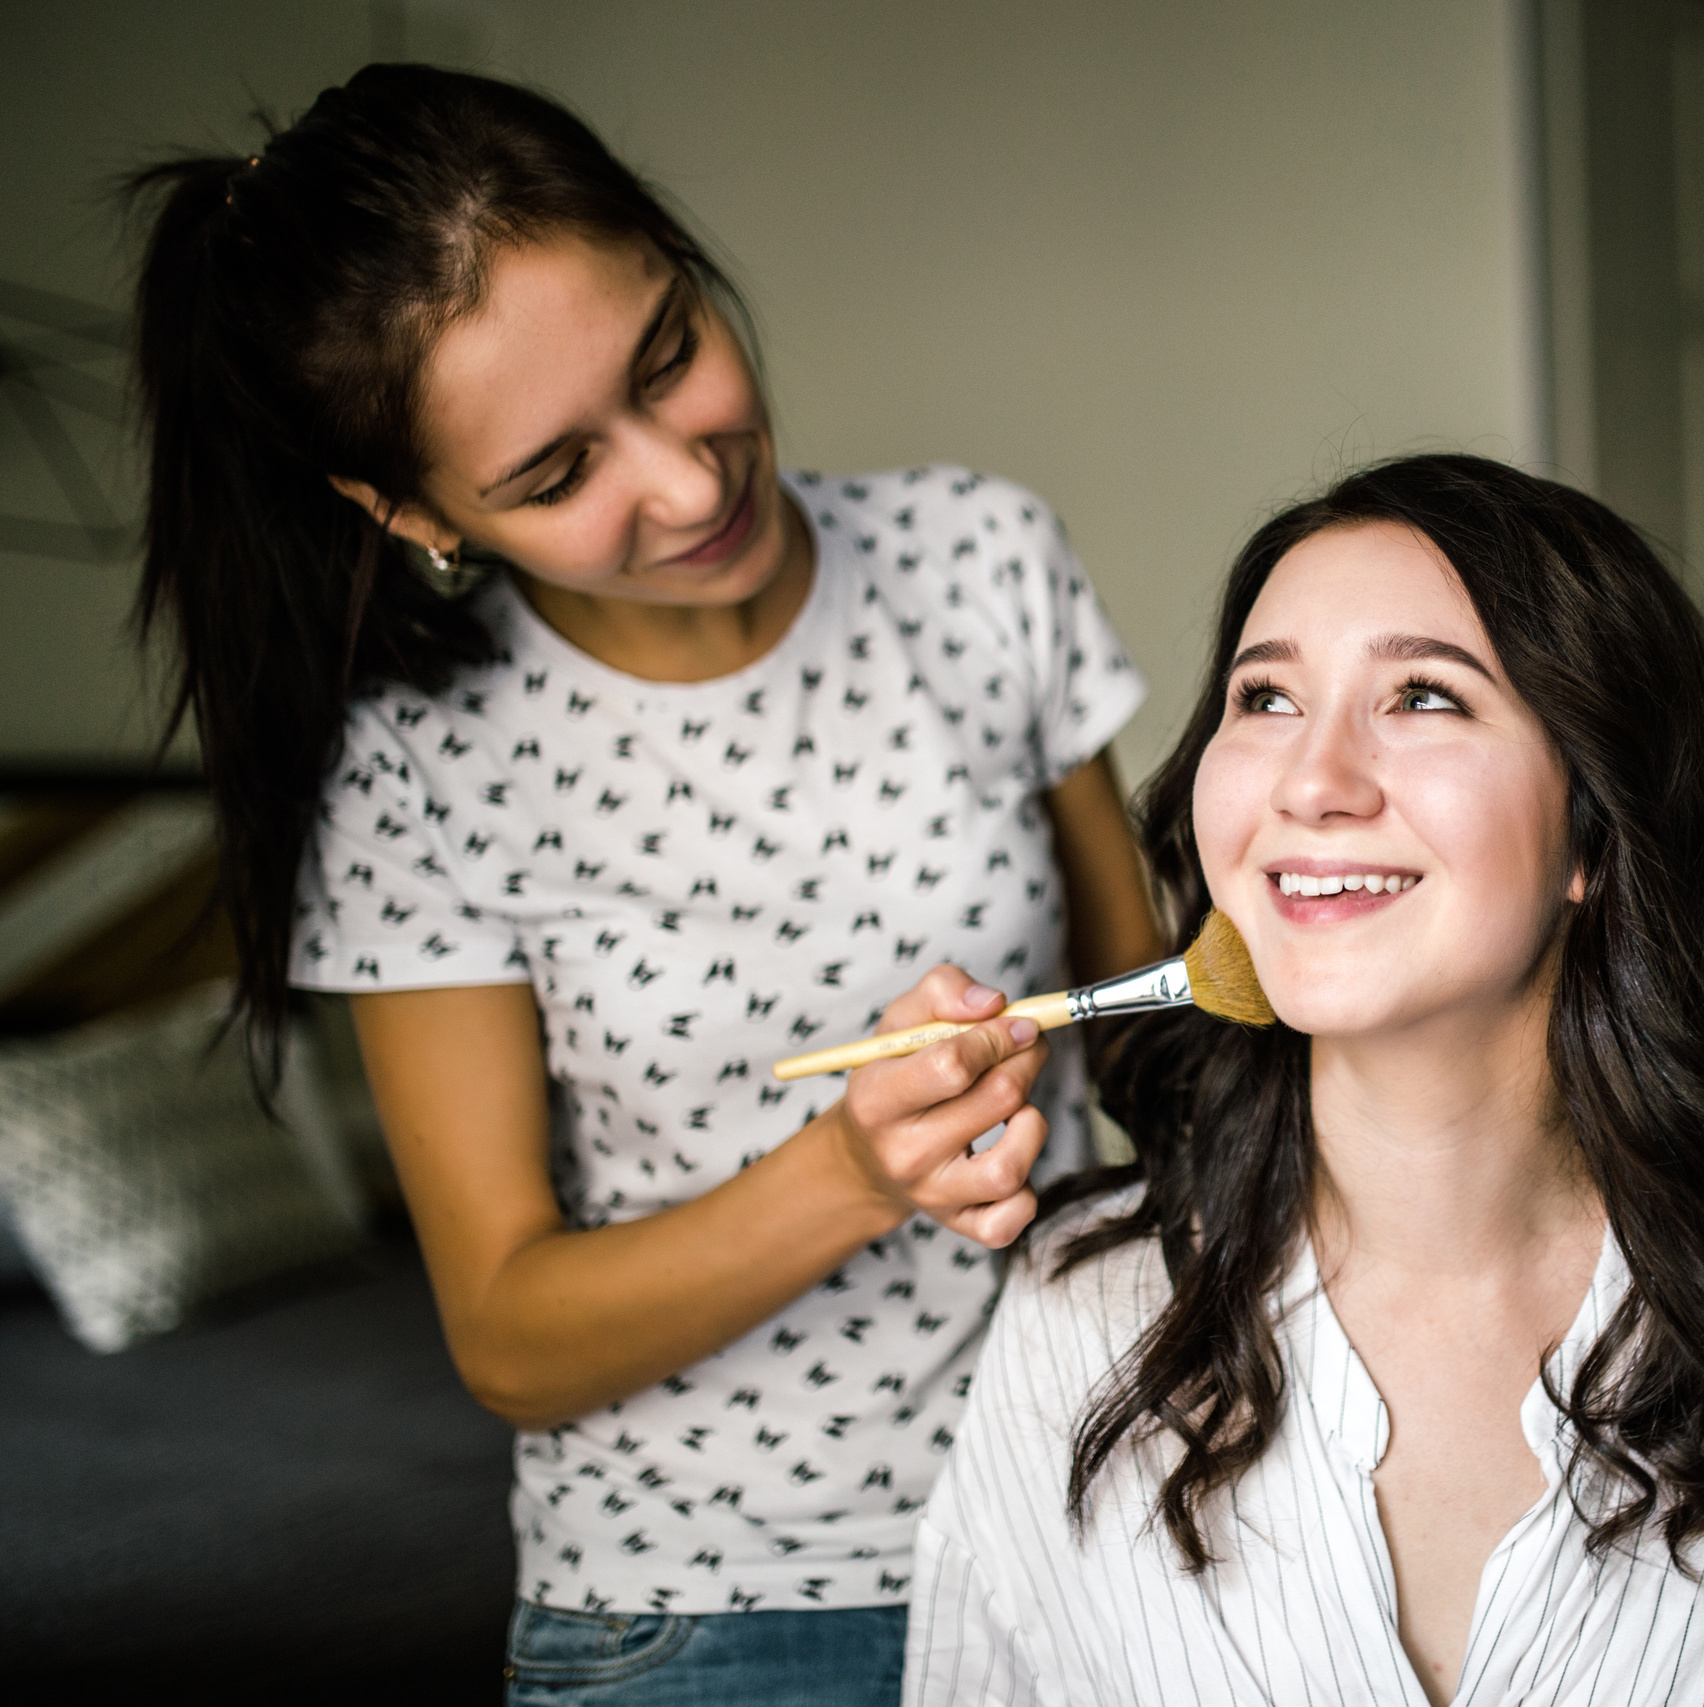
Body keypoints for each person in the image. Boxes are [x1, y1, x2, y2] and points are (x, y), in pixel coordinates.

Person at [125, 64, 1161, 1705]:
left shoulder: (981, 558)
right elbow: (509, 1333)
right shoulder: (422, 767)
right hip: (710, 1615)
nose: (685, 485)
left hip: (1094, 1534)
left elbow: (1166, 1038)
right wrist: (852, 1169)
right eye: (555, 475)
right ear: (411, 512)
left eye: (668, 354)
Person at [904, 454, 1704, 1706]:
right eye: (1263, 700)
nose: (1312, 783)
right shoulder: (1080, 1313)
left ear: (1593, 831)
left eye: (1422, 695)